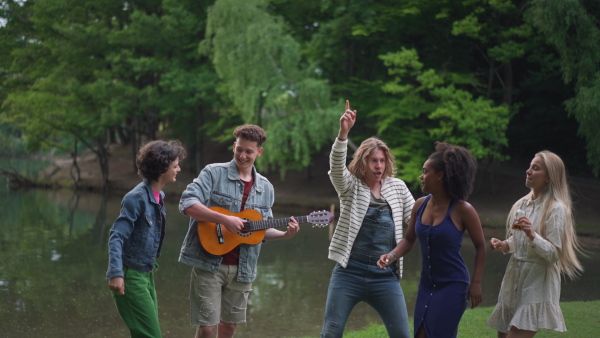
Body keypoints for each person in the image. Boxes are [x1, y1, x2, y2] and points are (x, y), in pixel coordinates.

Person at [178, 124, 300, 338]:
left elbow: (261, 229)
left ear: (259, 152)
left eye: (249, 151)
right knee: (207, 328)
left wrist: (284, 234)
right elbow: (187, 203)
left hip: (243, 269)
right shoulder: (213, 173)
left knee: (229, 327)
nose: (242, 155)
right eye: (239, 149)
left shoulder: (266, 188)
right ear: (234, 146)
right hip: (209, 262)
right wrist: (224, 218)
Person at [321, 100, 415, 338]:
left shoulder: (398, 187)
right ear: (363, 161)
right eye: (374, 161)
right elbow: (336, 167)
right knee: (331, 333)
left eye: (382, 161)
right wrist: (343, 133)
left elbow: (417, 219)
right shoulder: (350, 185)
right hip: (349, 271)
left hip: (385, 276)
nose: (379, 166)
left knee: (403, 335)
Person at [377, 141, 487, 338]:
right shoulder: (420, 205)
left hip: (453, 285)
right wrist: (392, 255)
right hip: (427, 285)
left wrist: (476, 282)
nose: (421, 176)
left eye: (425, 171)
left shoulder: (463, 209)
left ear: (440, 175)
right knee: (421, 333)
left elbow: (480, 246)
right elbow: (409, 240)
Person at [487, 151, 584, 337]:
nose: (528, 171)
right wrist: (504, 245)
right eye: (530, 167)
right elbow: (519, 240)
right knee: (503, 334)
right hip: (514, 277)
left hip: (537, 281)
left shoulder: (556, 209)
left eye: (536, 168)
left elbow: (553, 254)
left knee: (514, 334)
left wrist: (532, 234)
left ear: (549, 177)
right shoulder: (522, 205)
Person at [107, 140, 187, 337]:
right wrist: (116, 273)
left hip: (146, 274)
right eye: (175, 165)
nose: (179, 169)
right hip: (130, 277)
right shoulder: (136, 198)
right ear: (162, 169)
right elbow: (116, 235)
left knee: (145, 333)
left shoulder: (158, 197)